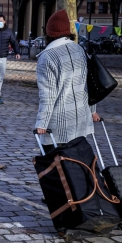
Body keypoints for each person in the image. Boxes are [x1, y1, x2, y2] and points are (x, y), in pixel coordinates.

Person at [35, 9, 100, 153]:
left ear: (49, 32)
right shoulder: (79, 49)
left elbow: (48, 95)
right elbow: (89, 83)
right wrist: (92, 110)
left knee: (53, 168)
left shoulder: (47, 57)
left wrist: (42, 123)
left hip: (59, 124)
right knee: (76, 165)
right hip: (80, 119)